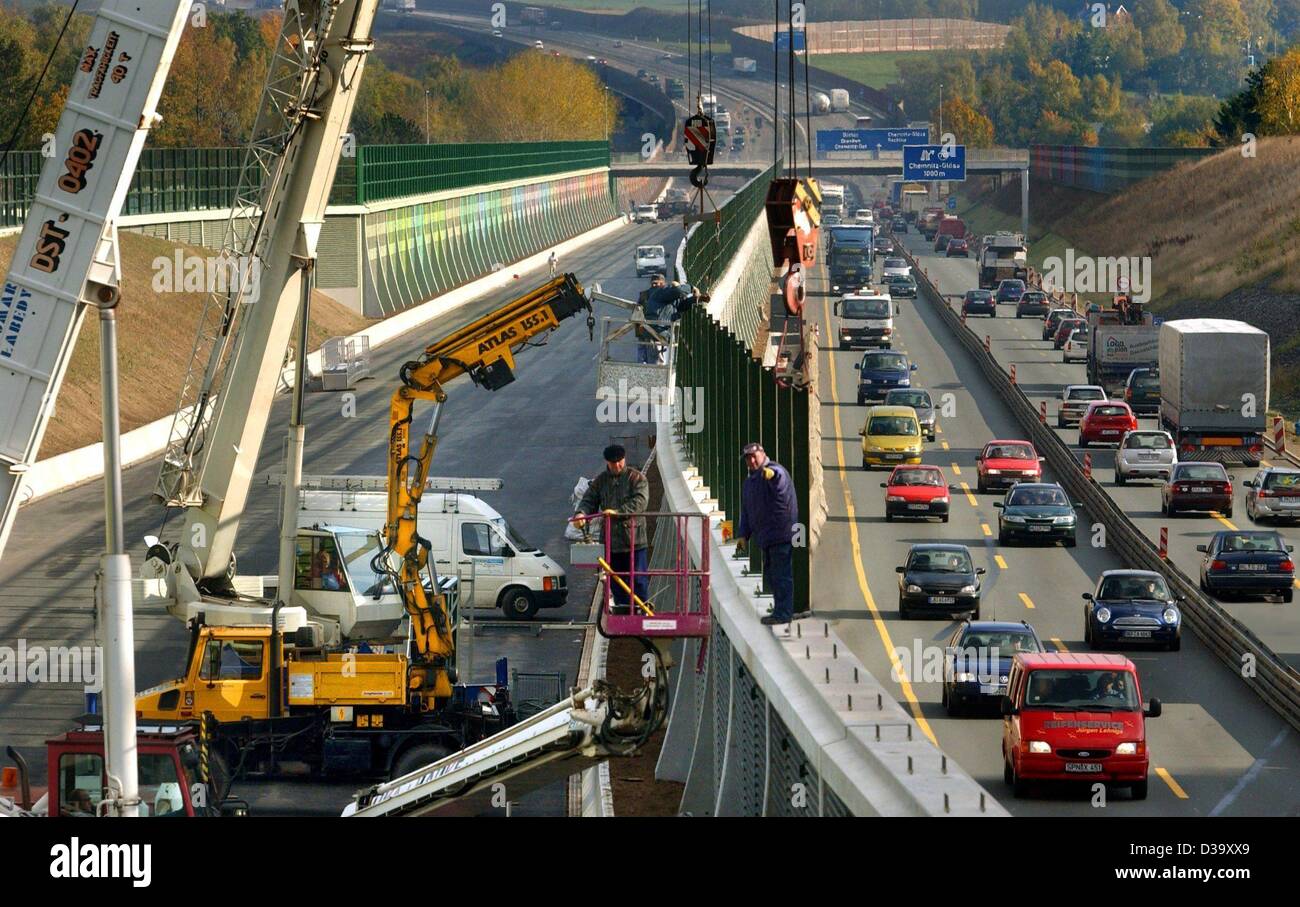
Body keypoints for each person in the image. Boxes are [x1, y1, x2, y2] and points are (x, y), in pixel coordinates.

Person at [576, 444, 650, 613]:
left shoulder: (637, 479)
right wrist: (581, 514)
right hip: (612, 543)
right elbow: (589, 501)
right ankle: (623, 613)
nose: (617, 466)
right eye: (613, 463)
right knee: (616, 581)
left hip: (635, 540)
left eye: (620, 461)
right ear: (607, 462)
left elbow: (640, 502)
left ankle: (641, 611)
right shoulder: (600, 482)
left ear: (625, 459)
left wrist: (617, 512)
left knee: (638, 579)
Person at [736, 442, 804, 626]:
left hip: (780, 533)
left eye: (753, 456)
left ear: (762, 454)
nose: (751, 460)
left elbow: (779, 480)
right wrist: (743, 535)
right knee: (772, 575)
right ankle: (779, 610)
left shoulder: (773, 470)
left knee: (781, 574)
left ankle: (783, 613)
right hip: (766, 537)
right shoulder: (750, 483)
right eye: (747, 458)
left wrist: (771, 475)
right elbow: (747, 510)